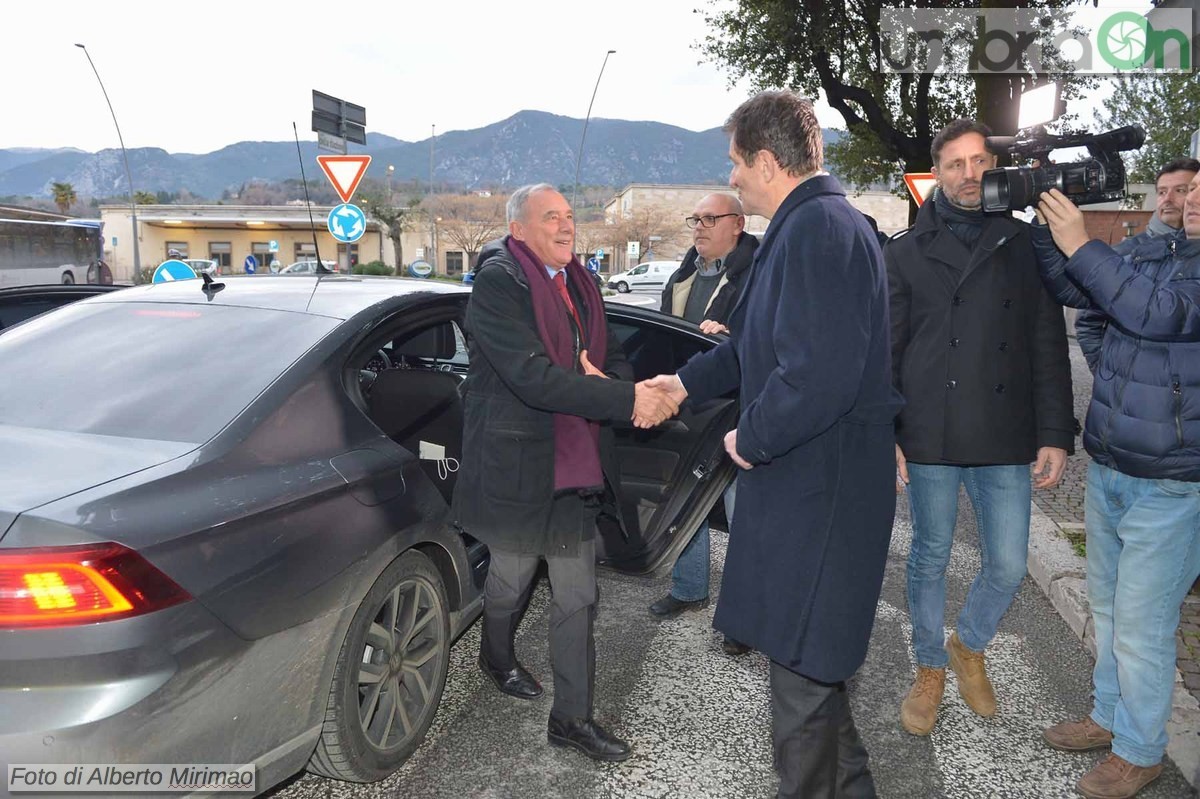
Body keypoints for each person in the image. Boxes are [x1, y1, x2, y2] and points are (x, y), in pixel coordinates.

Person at [646, 90, 903, 798]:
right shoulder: (806, 225)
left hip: (818, 499)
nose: (731, 178)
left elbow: (815, 378)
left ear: (765, 160)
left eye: (735, 163)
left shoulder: (819, 230)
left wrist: (746, 438)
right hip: (814, 495)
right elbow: (751, 344)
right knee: (812, 679)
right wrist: (680, 382)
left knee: (801, 696)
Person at [453, 183, 679, 763]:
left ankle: (570, 719)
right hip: (522, 464)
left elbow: (610, 355)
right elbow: (532, 377)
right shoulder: (500, 282)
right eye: (550, 217)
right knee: (510, 579)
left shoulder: (581, 282)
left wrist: (623, 382)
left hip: (576, 463)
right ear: (519, 229)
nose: (566, 227)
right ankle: (496, 656)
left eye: (570, 216)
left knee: (577, 593)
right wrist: (626, 400)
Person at [885, 119, 1074, 738]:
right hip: (931, 432)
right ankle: (931, 666)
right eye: (955, 163)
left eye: (979, 163)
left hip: (1003, 431)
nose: (969, 174)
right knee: (930, 555)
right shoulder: (904, 252)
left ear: (994, 169)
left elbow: (1046, 342)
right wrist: (887, 431)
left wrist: (1054, 432)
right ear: (934, 174)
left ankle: (969, 643)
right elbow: (887, 351)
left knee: (1009, 563)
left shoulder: (1026, 244)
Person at [1033, 173, 1200, 799]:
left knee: (1143, 624)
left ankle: (1139, 750)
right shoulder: (1158, 251)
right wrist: (1043, 222)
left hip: (1176, 484)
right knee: (1107, 609)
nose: (1194, 197)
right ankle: (1108, 718)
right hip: (1110, 467)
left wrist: (1081, 243)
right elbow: (1075, 288)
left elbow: (1155, 313)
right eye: (1194, 187)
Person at [648, 192, 759, 658]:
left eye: (709, 219)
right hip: (691, 407)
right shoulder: (682, 274)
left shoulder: (758, 273)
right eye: (695, 219)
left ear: (737, 223)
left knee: (743, 514)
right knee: (685, 499)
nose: (699, 227)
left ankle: (745, 617)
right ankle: (689, 588)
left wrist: (732, 338)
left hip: (738, 409)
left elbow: (769, 339)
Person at [1074, 157, 1199, 372]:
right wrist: (1107, 370)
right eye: (1161, 192)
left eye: (1181, 190)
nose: (1168, 199)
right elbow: (1088, 321)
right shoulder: (1125, 253)